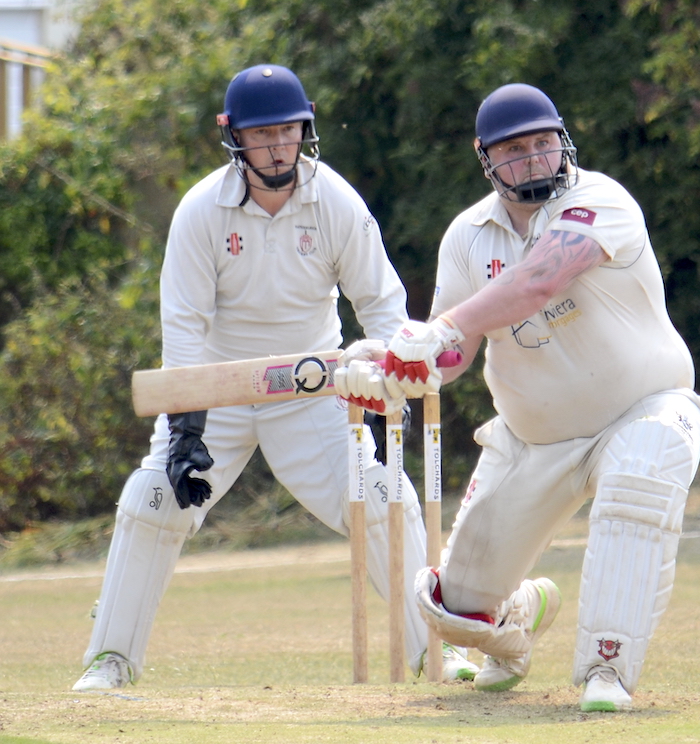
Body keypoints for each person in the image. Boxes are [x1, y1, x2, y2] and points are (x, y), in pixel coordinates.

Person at [71, 64, 477, 691]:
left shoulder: (335, 201)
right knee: (152, 502)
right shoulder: (201, 211)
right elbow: (182, 327)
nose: (278, 146)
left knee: (382, 495)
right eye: (263, 135)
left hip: (309, 389)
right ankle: (110, 659)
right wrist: (184, 424)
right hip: (219, 392)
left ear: (304, 129)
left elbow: (383, 305)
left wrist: (397, 368)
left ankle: (436, 652)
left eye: (289, 131)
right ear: (233, 137)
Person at [375, 83, 700, 711]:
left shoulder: (600, 199)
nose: (533, 159)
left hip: (644, 407)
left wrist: (446, 326)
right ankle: (518, 616)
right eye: (514, 149)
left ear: (562, 143)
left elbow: (541, 279)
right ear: (485, 156)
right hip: (533, 438)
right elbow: (455, 353)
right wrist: (401, 363)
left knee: (638, 485)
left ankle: (605, 673)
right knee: (453, 611)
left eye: (542, 143)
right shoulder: (468, 236)